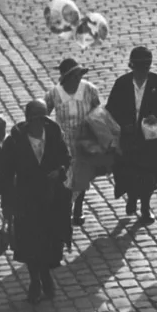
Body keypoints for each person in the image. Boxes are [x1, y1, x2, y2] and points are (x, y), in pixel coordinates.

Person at [0, 100, 73, 303]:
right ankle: (35, 280)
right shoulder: (15, 142)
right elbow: (5, 172)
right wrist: (8, 201)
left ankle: (46, 275)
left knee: (49, 242)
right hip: (27, 201)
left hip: (51, 199)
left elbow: (66, 157)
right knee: (29, 244)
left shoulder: (54, 135)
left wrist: (60, 171)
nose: (39, 124)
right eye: (35, 120)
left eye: (42, 119)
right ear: (29, 120)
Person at [105, 46, 157, 225]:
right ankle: (132, 196)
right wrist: (123, 125)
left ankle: (145, 205)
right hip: (129, 138)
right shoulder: (122, 84)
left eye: (146, 67)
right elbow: (111, 110)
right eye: (139, 67)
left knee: (151, 173)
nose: (142, 71)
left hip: (152, 138)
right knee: (128, 171)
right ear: (133, 66)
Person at [44, 57, 101, 229]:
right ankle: (65, 209)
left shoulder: (90, 90)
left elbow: (98, 112)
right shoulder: (54, 93)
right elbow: (44, 114)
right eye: (73, 76)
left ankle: (78, 208)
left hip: (84, 141)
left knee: (82, 176)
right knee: (66, 178)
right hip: (64, 143)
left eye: (78, 75)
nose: (77, 79)